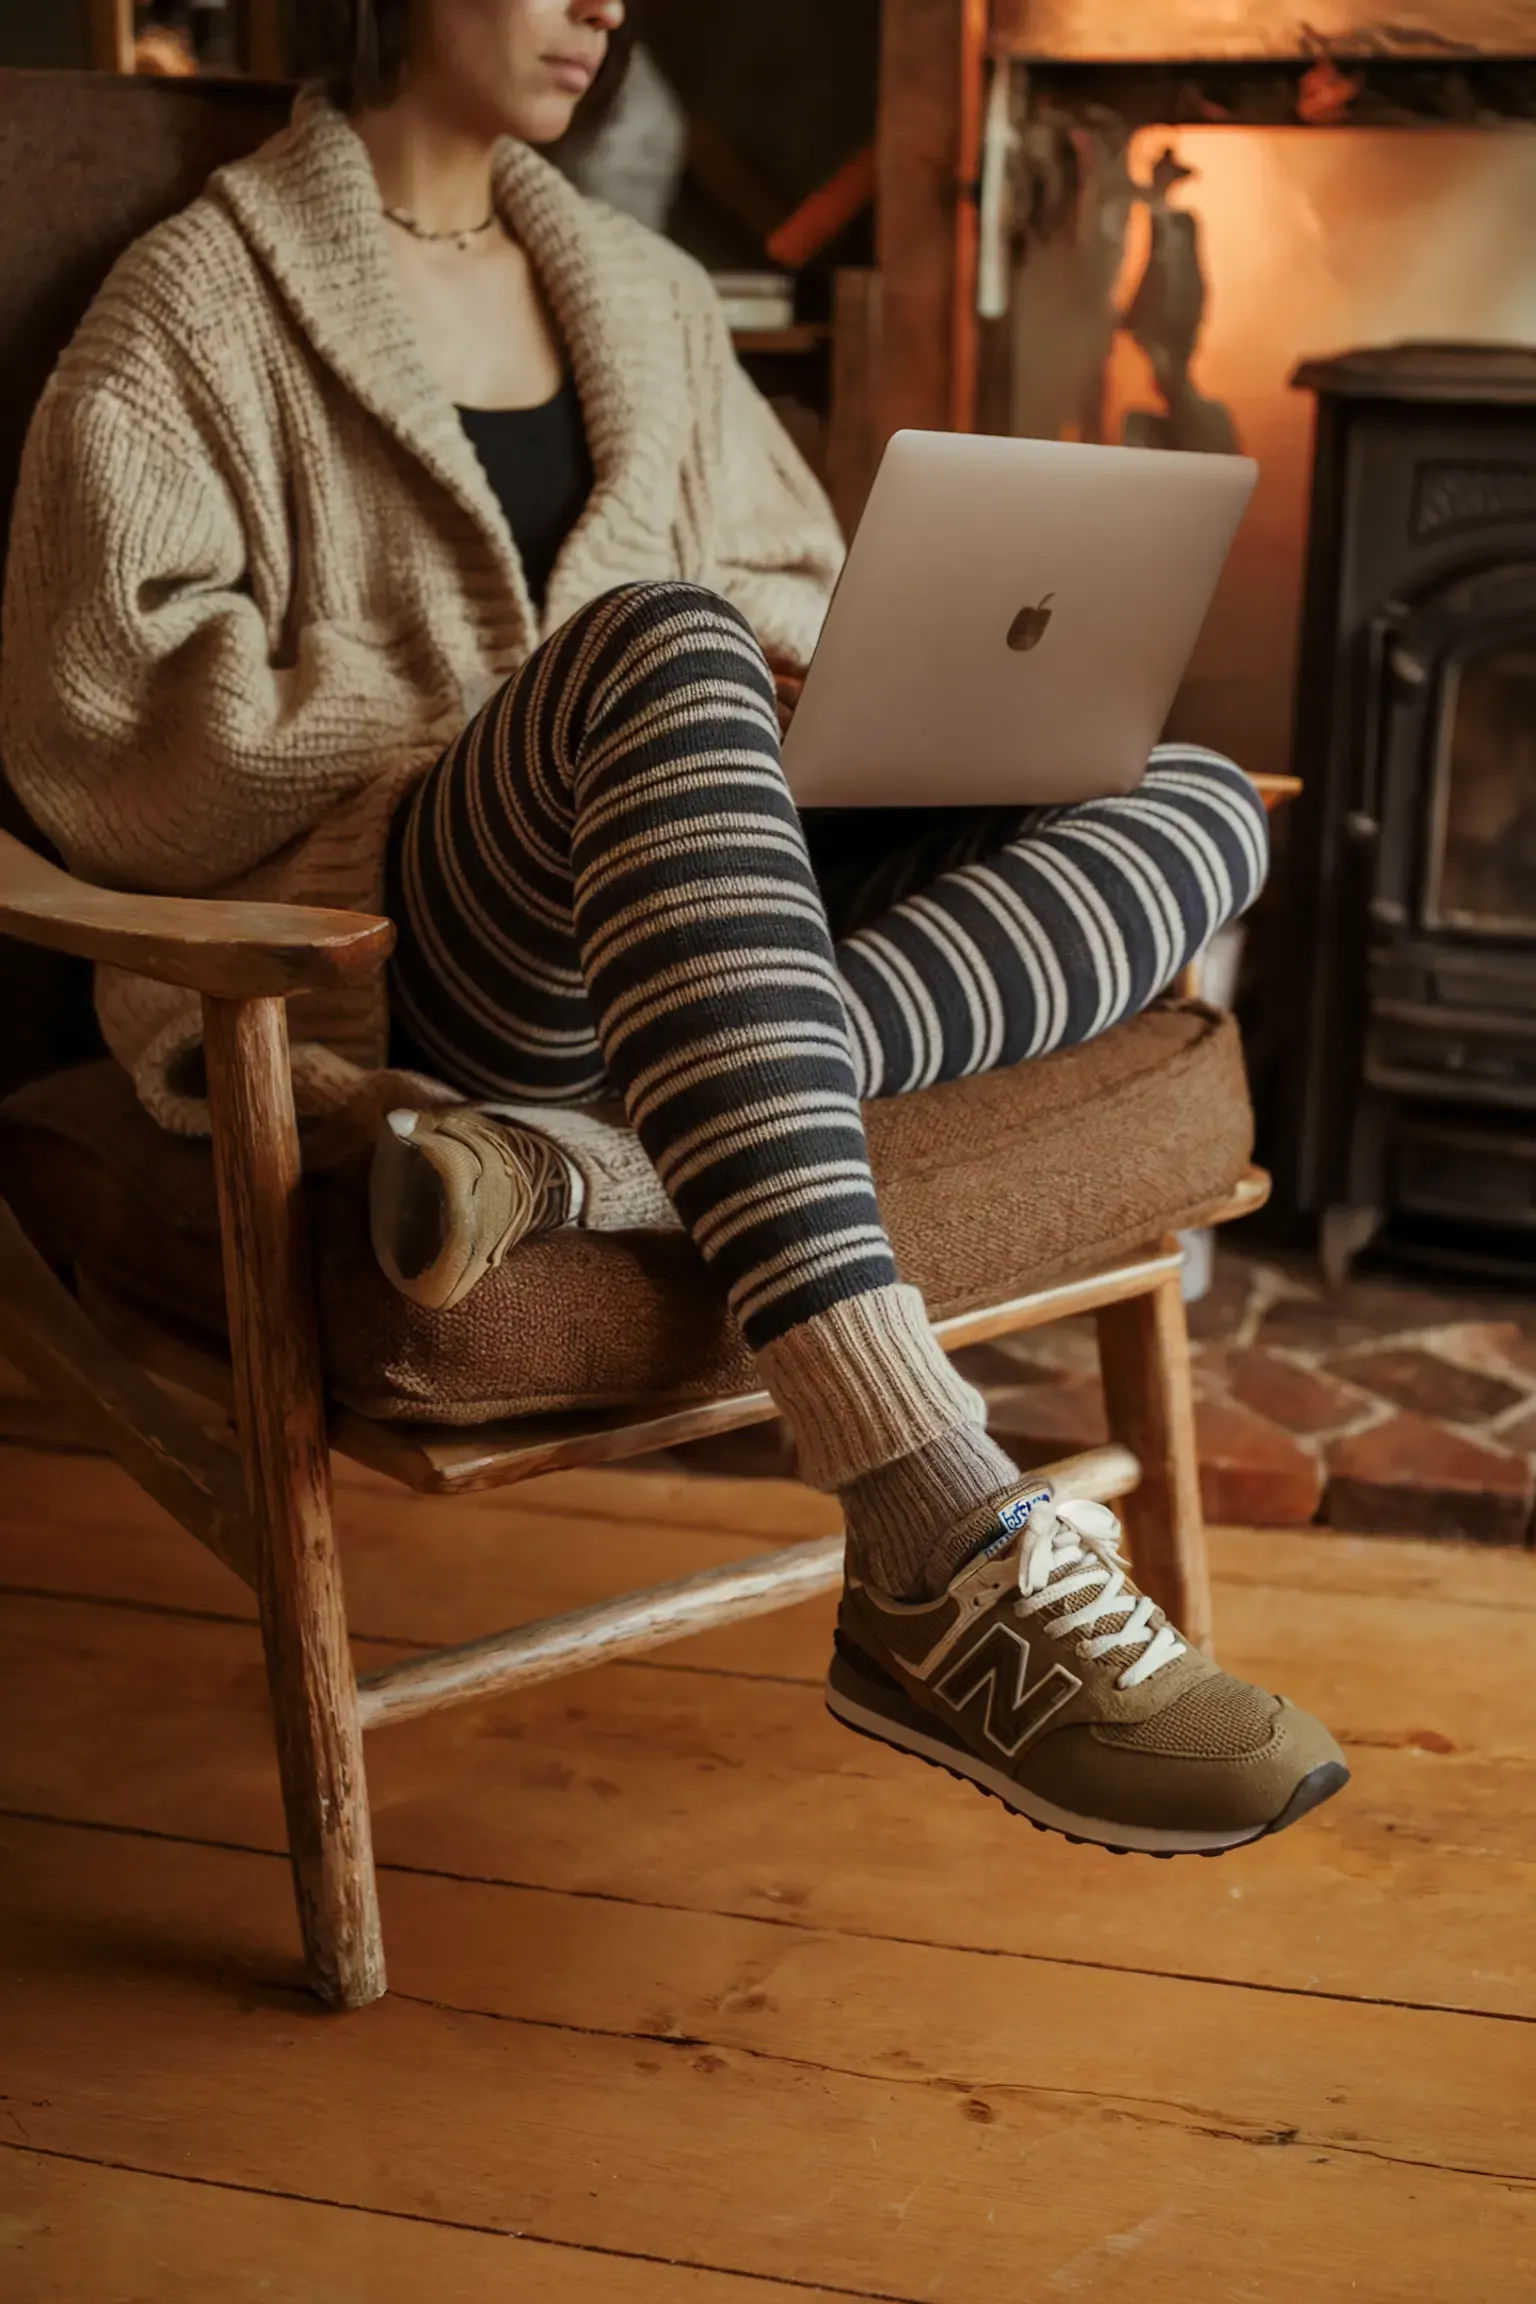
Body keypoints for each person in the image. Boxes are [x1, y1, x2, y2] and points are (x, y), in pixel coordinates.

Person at [0, 0, 1346, 1855]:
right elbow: (104, 715)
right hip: (413, 945)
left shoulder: (647, 290)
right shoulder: (197, 300)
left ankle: (600, 1162)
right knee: (658, 635)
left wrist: (818, 693)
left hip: (712, 906)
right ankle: (929, 1519)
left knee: (1190, 792)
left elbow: (802, 584)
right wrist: (557, 692)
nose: (604, 4)